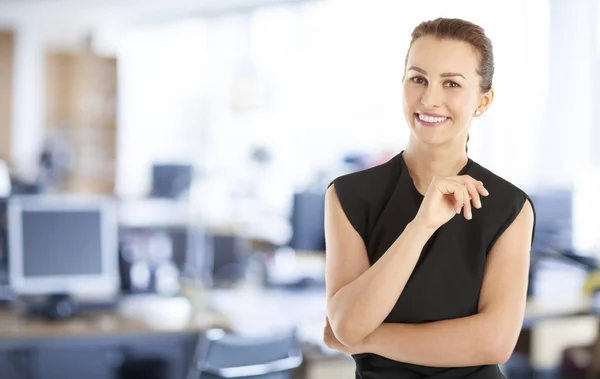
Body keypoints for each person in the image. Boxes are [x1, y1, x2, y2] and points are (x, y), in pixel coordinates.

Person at [323, 17, 536, 379]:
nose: (429, 98)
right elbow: (346, 326)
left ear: (483, 101)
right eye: (418, 79)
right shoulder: (349, 195)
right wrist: (421, 225)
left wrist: (367, 339)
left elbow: (495, 342)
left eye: (451, 83)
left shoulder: (509, 206)